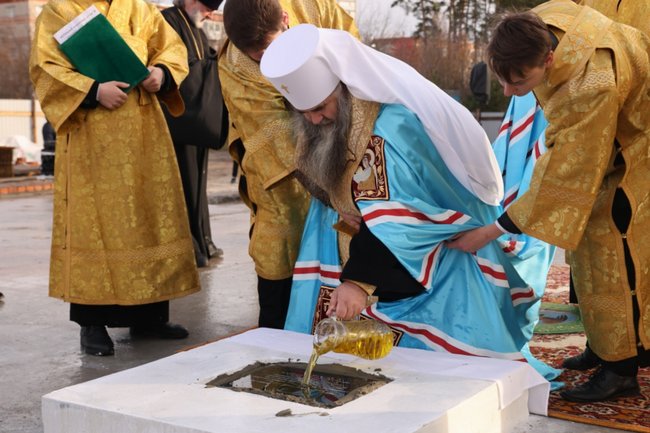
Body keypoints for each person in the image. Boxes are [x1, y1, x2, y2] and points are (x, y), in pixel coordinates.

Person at [259, 24, 560, 383]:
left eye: (319, 107)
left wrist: (357, 282)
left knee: (434, 376)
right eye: (302, 111)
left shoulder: (391, 128)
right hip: (370, 247)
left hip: (430, 253)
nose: (313, 120)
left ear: (344, 89)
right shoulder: (328, 121)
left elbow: (401, 217)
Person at [448, 1, 650, 402]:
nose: (507, 92)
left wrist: (492, 229)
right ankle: (604, 346)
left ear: (550, 59)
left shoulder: (590, 85)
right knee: (588, 260)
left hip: (632, 157)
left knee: (616, 262)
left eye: (519, 82)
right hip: (603, 147)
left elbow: (566, 174)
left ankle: (622, 369)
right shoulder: (541, 23)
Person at [30, 0, 198, 356]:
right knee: (97, 224)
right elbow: (45, 69)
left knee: (148, 218)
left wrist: (162, 74)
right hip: (92, 136)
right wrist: (92, 91)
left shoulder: (140, 7)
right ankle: (92, 323)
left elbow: (172, 48)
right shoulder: (58, 10)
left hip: (143, 130)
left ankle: (150, 316)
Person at [217, 0, 358, 329]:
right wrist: (337, 196)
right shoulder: (235, 63)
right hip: (288, 180)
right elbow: (279, 146)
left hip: (347, 135)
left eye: (269, 49)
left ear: (285, 18)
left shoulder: (314, 7)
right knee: (282, 252)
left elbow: (353, 57)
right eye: (260, 59)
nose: (270, 63)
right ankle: (276, 343)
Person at [161, 0, 227, 268]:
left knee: (197, 183)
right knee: (181, 184)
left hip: (197, 118)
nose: (210, 13)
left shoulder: (196, 29)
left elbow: (206, 63)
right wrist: (212, 68)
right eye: (207, 6)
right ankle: (188, 245)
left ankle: (202, 238)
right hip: (176, 118)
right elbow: (176, 69)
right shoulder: (167, 21)